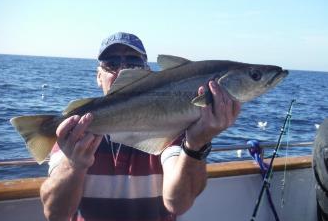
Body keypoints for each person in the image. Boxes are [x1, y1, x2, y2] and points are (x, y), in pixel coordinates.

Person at [40, 32, 241, 221]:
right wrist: (74, 165)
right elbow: (56, 214)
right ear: (98, 76)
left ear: (148, 72)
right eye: (111, 64)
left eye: (134, 62)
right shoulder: (75, 133)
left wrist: (197, 144)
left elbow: (177, 204)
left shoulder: (174, 129)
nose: (122, 70)